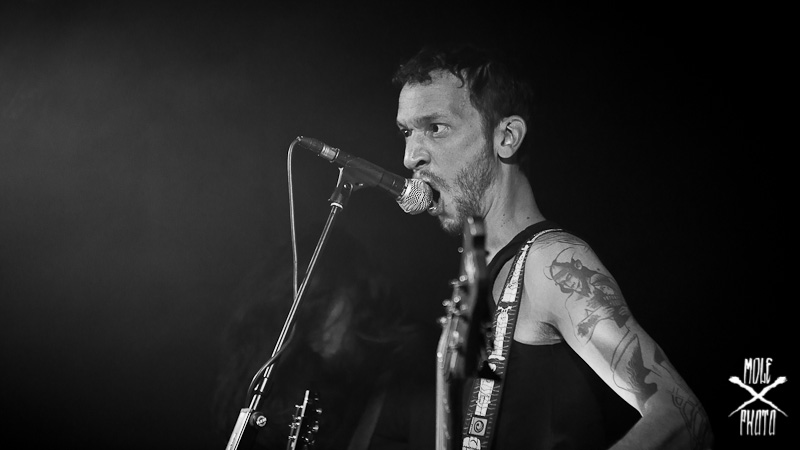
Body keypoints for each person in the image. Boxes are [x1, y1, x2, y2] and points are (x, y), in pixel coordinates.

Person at [391, 43, 713, 449]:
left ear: (506, 137)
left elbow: (683, 419)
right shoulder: (477, 275)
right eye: (407, 132)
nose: (410, 157)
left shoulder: (552, 261)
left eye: (436, 127)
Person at [211, 226, 435, 450]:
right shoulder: (322, 387)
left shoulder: (415, 377)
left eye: (324, 305)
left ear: (356, 293)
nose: (314, 331)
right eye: (304, 318)